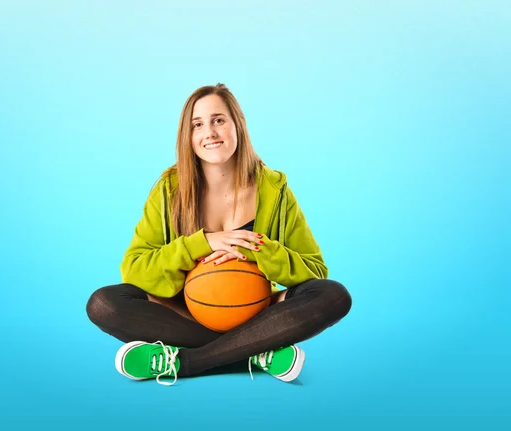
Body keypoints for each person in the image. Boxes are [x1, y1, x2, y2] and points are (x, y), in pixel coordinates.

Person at [86, 83, 352, 386]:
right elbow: (135, 269)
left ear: (237, 124)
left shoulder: (273, 189)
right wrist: (201, 243)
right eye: (197, 125)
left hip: (258, 311)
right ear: (188, 137)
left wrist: (257, 249)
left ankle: (185, 363)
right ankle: (256, 350)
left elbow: (314, 270)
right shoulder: (169, 189)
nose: (209, 133)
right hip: (185, 314)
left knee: (333, 295)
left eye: (218, 120)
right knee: (103, 303)